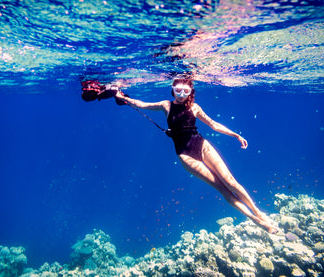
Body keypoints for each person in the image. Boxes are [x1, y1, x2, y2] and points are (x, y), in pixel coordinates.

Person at [114, 78, 278, 233]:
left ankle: (258, 212)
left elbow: (213, 124)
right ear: (173, 90)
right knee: (222, 189)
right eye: (178, 90)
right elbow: (143, 105)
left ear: (191, 91)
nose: (181, 94)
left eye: (185, 91)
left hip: (202, 146)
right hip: (186, 155)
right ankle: (255, 220)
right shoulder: (166, 105)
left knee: (230, 182)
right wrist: (122, 98)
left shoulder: (195, 107)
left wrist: (236, 135)